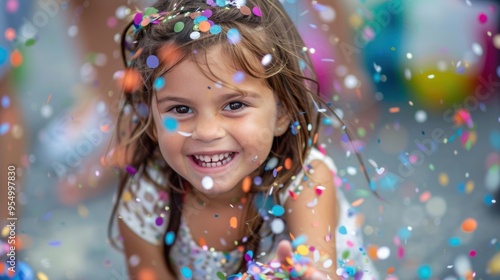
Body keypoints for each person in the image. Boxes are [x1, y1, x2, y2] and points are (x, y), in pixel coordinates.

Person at [109, 0, 379, 279]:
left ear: (281, 112)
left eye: (234, 105)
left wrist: (300, 274)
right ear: (152, 121)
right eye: (180, 109)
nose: (207, 131)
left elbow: (319, 271)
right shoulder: (146, 195)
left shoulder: (305, 180)